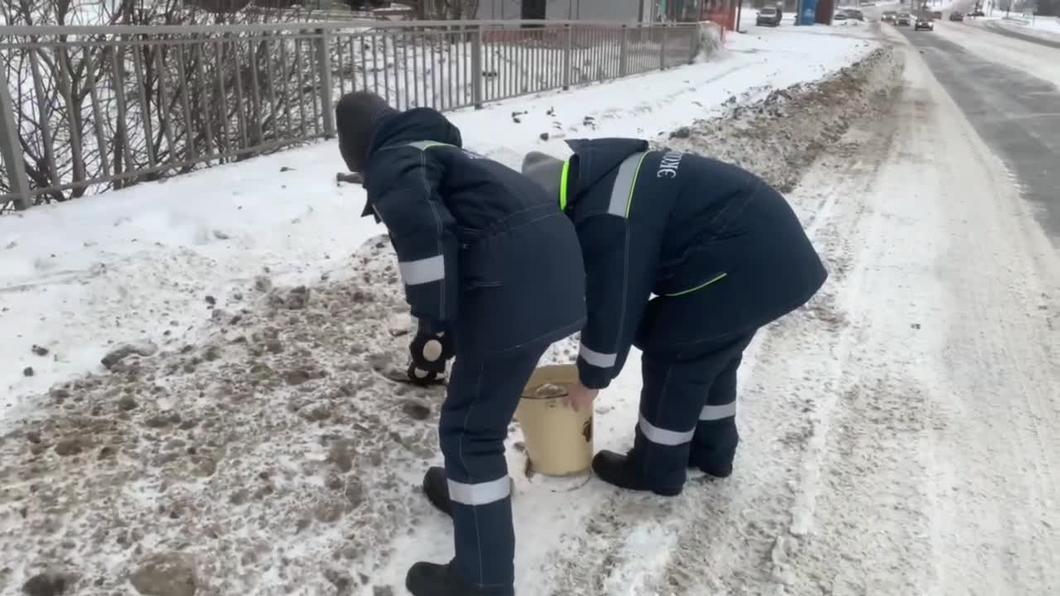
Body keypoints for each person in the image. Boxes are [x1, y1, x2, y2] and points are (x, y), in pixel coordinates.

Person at [336, 92, 586, 596]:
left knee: (469, 433)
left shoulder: (393, 160)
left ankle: (482, 580)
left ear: (356, 149)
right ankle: (473, 499)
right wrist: (445, 328)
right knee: (480, 417)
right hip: (557, 282)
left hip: (513, 292)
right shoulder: (442, 152)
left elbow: (428, 239)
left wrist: (433, 324)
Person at [521, 138, 827, 496]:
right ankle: (713, 453)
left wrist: (590, 380)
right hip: (771, 259)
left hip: (748, 265)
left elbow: (615, 303)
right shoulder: (612, 176)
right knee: (710, 354)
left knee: (675, 351)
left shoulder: (607, 215)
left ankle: (654, 469)